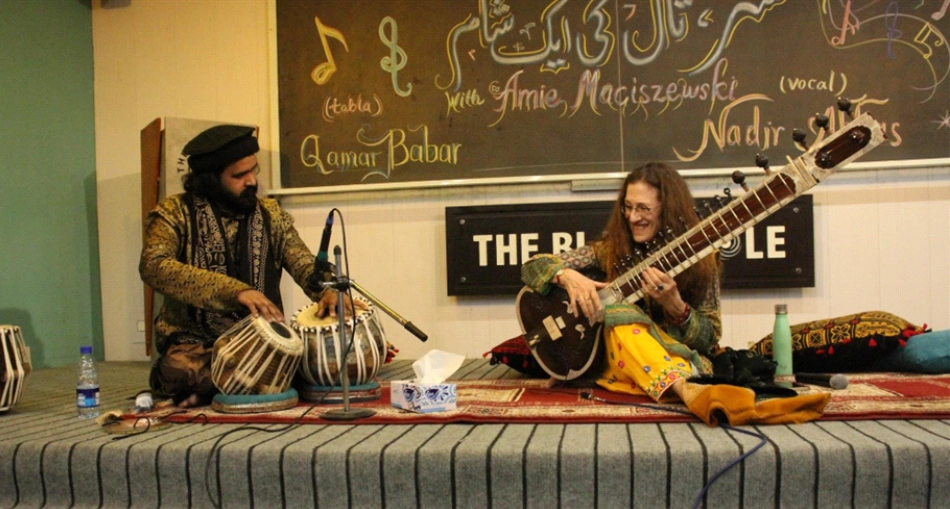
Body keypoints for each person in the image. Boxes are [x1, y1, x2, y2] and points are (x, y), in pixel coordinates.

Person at [521, 162, 830, 426]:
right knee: (619, 315)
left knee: (620, 316)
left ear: (668, 210)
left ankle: (690, 387)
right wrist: (567, 275)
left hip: (678, 357)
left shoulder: (702, 260)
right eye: (627, 207)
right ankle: (694, 393)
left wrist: (676, 306)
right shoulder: (609, 250)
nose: (632, 217)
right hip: (619, 361)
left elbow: (710, 338)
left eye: (643, 208)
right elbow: (532, 267)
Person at [140, 124, 359, 408]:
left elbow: (304, 263)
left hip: (264, 342)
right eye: (239, 175)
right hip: (199, 347)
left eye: (253, 170)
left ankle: (233, 387)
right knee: (180, 371)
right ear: (210, 179)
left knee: (328, 355)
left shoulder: (271, 215)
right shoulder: (174, 213)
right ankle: (256, 382)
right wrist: (235, 291)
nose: (252, 181)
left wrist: (327, 291)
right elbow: (153, 266)